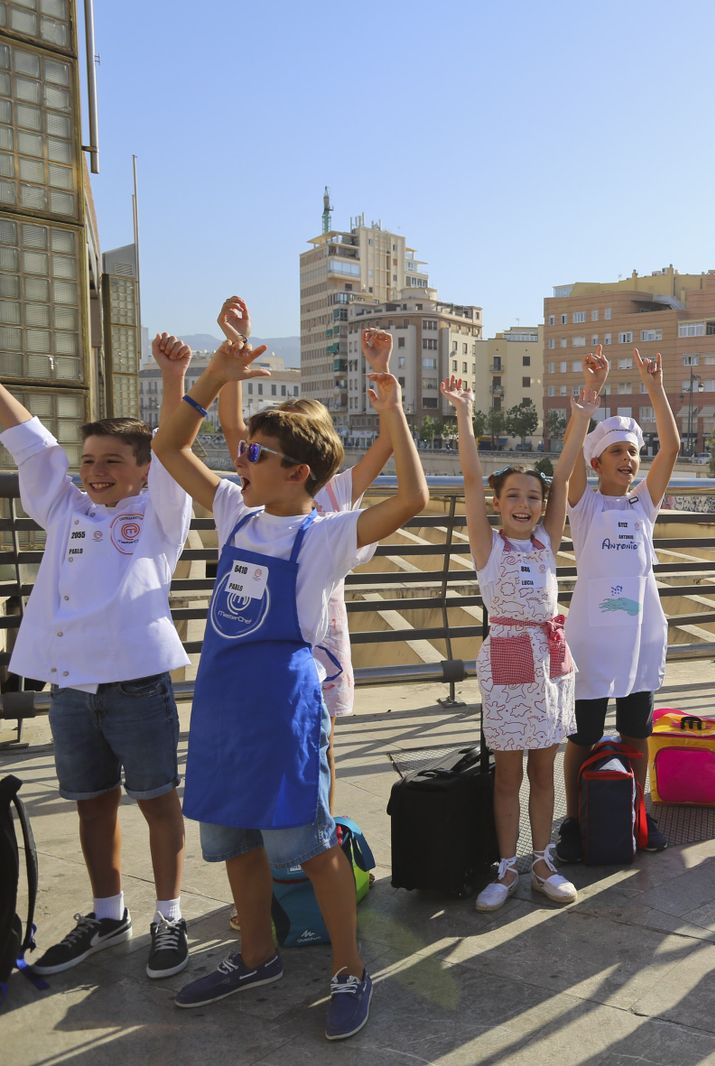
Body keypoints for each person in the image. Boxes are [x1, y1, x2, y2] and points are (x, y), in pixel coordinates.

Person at [153, 328, 427, 1040]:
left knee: (310, 844)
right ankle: (256, 953)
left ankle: (348, 967)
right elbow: (168, 447)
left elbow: (414, 501)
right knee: (234, 842)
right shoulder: (235, 513)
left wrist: (391, 405)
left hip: (283, 710)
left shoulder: (327, 535)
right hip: (221, 710)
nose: (239, 458)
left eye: (255, 454)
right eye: (244, 451)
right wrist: (211, 377)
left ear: (298, 472)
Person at [0, 366, 192, 980]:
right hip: (71, 690)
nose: (97, 470)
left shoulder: (162, 517)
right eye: (89, 460)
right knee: (91, 805)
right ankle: (108, 915)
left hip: (138, 685)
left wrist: (177, 378)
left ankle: (170, 914)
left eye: (114, 460)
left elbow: (173, 446)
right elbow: (32, 441)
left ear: (143, 469)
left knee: (159, 802)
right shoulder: (64, 510)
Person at [215, 297, 391, 812]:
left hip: (320, 630)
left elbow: (385, 444)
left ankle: (322, 829)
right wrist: (233, 362)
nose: (257, 451)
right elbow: (232, 430)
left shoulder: (336, 493)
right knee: (272, 740)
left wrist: (379, 371)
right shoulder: (255, 484)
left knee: (321, 744)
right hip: (266, 629)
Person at [443, 375, 579, 909]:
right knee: (508, 773)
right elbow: (471, 474)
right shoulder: (489, 546)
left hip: (548, 662)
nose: (524, 503)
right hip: (505, 658)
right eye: (513, 495)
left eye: (533, 497)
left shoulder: (546, 540)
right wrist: (464, 413)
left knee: (544, 768)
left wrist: (583, 410)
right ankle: (505, 866)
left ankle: (542, 861)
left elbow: (565, 476)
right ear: (498, 503)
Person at [554, 347, 676, 860]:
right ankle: (575, 820)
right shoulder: (583, 505)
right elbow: (563, 475)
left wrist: (655, 387)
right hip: (590, 637)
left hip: (641, 636)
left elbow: (669, 446)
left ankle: (635, 811)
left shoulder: (644, 502)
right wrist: (589, 394)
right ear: (596, 460)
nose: (629, 460)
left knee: (635, 729)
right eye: (618, 452)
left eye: (633, 453)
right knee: (582, 732)